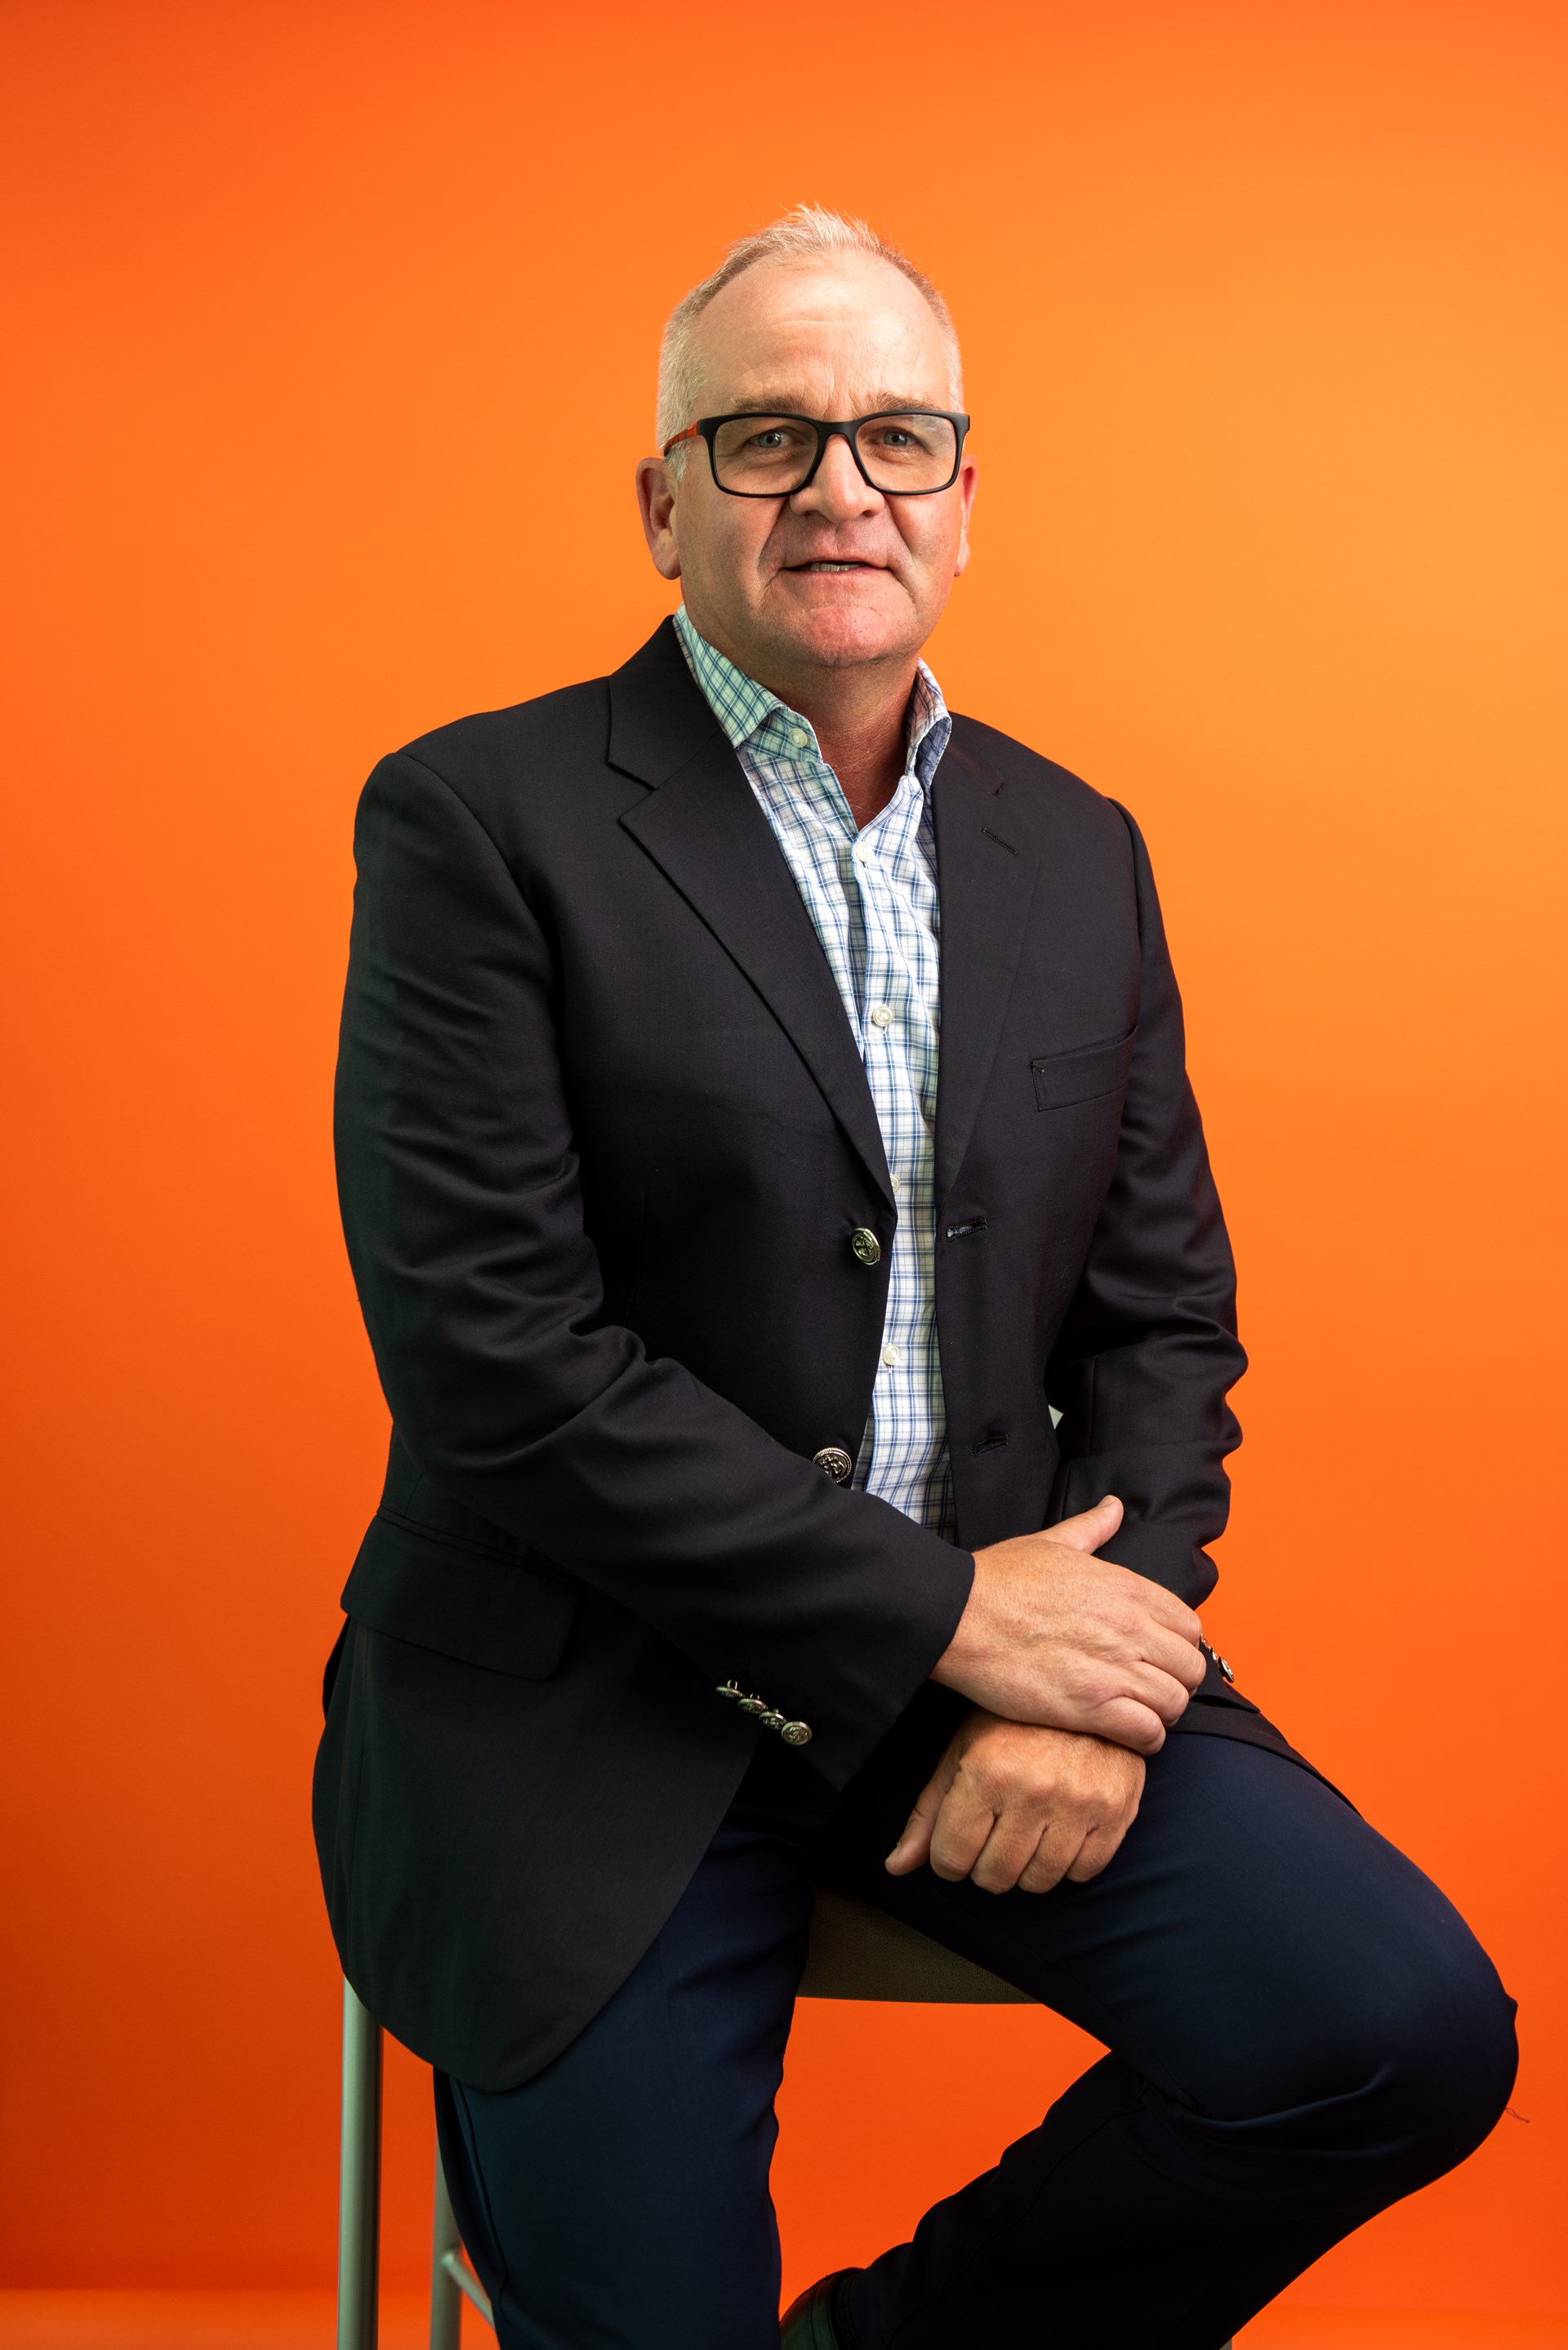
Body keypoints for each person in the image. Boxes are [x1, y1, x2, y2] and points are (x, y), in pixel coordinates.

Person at [314, 205, 1516, 2350]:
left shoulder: (1078, 846)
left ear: (969, 497)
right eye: (766, 436)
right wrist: (957, 1617)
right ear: (662, 499)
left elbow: (1162, 1327)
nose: (839, 487)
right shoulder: (478, 820)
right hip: (592, 1702)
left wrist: (1101, 1662)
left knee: (1401, 2031)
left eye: (897, 433)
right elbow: (499, 1364)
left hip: (987, 1667)